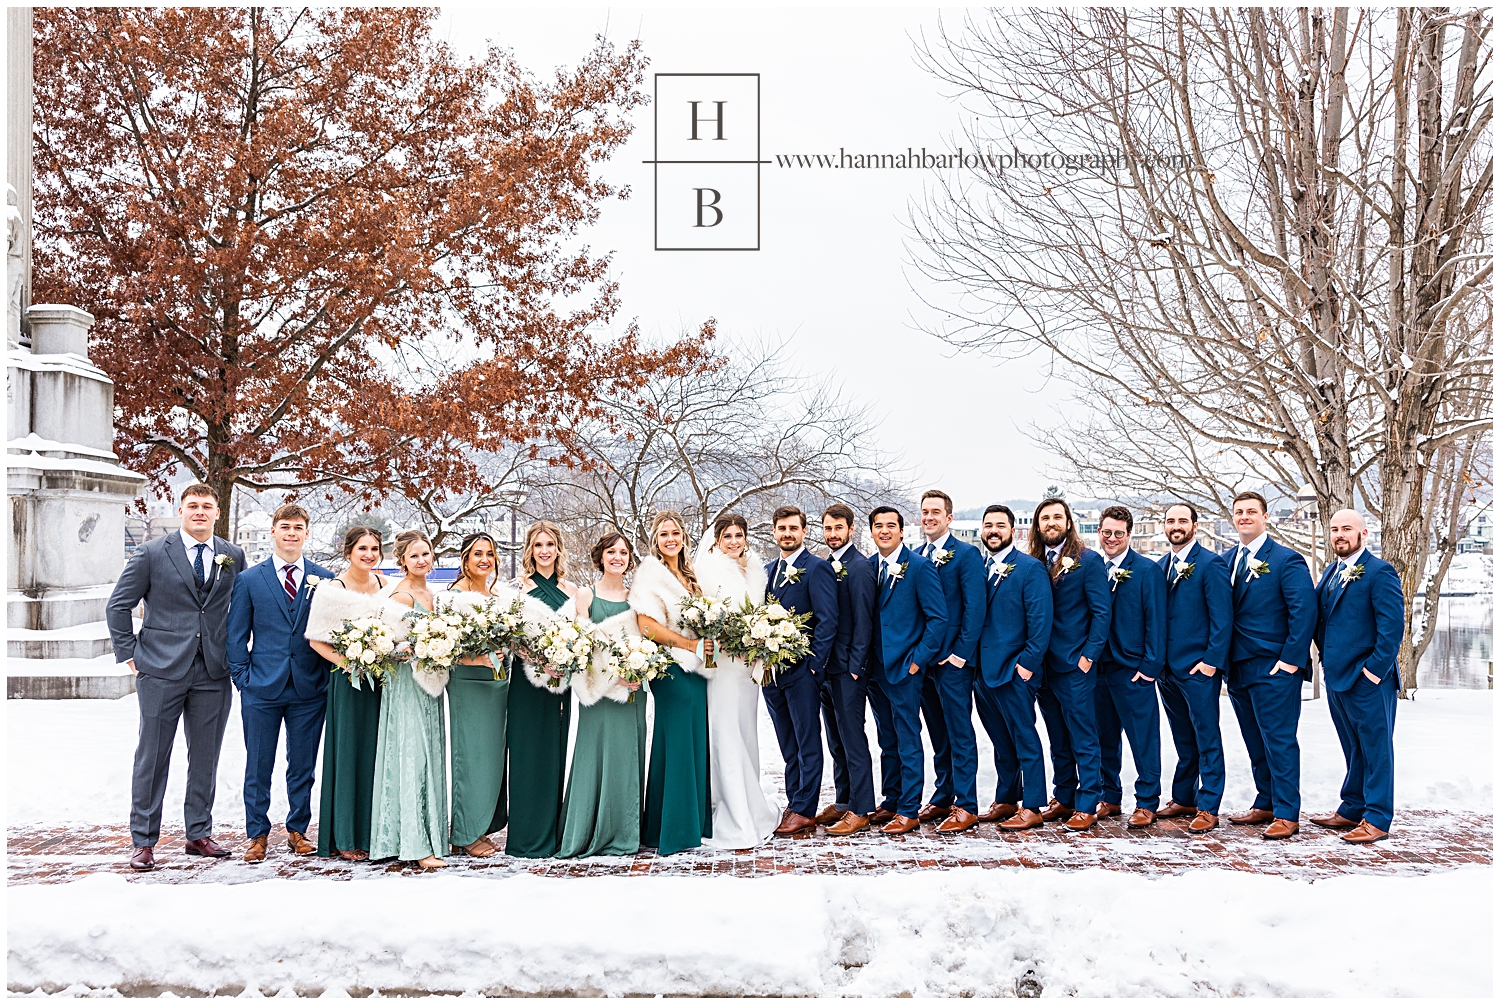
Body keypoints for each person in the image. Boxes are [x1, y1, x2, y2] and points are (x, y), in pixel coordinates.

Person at [107, 483, 246, 871]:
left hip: (213, 670)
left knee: (205, 756)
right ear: (181, 511)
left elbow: (240, 609)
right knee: (152, 756)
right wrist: (130, 655)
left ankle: (198, 833)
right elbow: (118, 606)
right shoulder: (151, 553)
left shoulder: (232, 555)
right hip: (160, 669)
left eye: (207, 506)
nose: (199, 512)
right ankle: (144, 841)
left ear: (217, 512)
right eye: (192, 506)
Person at [226, 504, 335, 862]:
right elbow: (236, 635)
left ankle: (297, 830)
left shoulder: (324, 578)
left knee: (302, 764)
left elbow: (333, 632)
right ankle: (257, 834)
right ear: (273, 532)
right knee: (258, 764)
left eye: (298, 527)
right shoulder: (249, 580)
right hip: (261, 688)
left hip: (309, 689)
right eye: (285, 527)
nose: (291, 533)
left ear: (307, 533)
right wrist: (243, 679)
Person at [1224, 491, 1317, 840]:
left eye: (1251, 511)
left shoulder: (1285, 560)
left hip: (1274, 668)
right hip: (1237, 668)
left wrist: (1290, 662)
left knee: (1279, 741)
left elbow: (1303, 613)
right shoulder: (1228, 559)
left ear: (1265, 517)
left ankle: (1287, 812)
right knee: (1254, 741)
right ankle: (1265, 801)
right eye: (1239, 512)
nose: (1244, 516)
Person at [1310, 509, 1405, 845]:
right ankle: (1352, 807)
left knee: (1376, 750)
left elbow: (1392, 630)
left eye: (1347, 529)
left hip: (1368, 681)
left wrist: (1372, 673)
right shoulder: (1332, 571)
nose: (1339, 534)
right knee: (1353, 747)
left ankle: (1377, 818)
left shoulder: (1380, 573)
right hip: (1337, 677)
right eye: (1334, 529)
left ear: (1364, 533)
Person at [557, 532, 650, 857]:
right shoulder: (585, 595)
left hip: (631, 692)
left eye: (623, 552)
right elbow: (581, 646)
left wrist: (637, 670)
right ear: (600, 556)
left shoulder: (638, 597)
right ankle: (584, 831)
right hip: (598, 692)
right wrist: (612, 674)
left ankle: (624, 832)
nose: (617, 557)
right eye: (611, 552)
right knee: (593, 756)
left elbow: (647, 642)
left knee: (627, 759)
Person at [694, 514, 781, 849]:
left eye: (739, 535)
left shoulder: (757, 570)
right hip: (723, 666)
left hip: (749, 669)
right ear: (716, 539)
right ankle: (729, 806)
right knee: (725, 729)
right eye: (727, 535)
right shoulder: (707, 571)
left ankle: (747, 797)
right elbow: (701, 617)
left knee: (745, 730)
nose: (733, 541)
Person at [631, 510, 715, 854]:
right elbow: (646, 625)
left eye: (675, 533)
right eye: (664, 534)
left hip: (696, 668)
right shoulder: (650, 574)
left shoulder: (689, 574)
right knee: (677, 743)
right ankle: (674, 831)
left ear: (683, 537)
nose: (670, 539)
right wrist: (688, 644)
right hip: (670, 666)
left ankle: (678, 824)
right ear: (656, 538)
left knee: (692, 740)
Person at [305, 526, 390, 860]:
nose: (368, 554)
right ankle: (344, 835)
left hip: (383, 681)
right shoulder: (333, 589)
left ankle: (375, 833)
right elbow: (316, 640)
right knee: (350, 754)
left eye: (374, 548)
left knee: (377, 756)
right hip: (350, 681)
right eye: (362, 549)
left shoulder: (385, 585)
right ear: (349, 551)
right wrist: (352, 664)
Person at [1029, 497, 1111, 832]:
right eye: (1045, 518)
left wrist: (1088, 656)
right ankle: (1063, 796)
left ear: (1068, 522)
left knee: (1083, 734)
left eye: (1057, 517)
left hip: (1075, 664)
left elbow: (1102, 612)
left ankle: (1088, 800)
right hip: (1042, 666)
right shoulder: (1032, 561)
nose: (1051, 522)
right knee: (1056, 735)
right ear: (1037, 525)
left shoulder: (1087, 560)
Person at [865, 505, 948, 834]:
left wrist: (918, 659)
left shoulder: (919, 567)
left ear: (901, 531)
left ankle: (910, 809)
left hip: (905, 669)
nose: (884, 531)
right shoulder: (870, 567)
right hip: (875, 671)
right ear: (871, 531)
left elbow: (937, 619)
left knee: (908, 737)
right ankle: (892, 800)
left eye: (890, 525)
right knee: (887, 738)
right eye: (878, 526)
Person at [369, 530, 449, 869]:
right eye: (415, 555)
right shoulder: (400, 597)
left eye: (426, 554)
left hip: (430, 685)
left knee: (428, 755)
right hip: (406, 686)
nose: (422, 560)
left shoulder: (432, 594)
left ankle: (429, 836)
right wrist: (414, 649)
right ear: (402, 559)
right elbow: (384, 645)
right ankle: (415, 844)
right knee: (412, 756)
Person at [971, 504, 1052, 831]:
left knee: (1024, 738)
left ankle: (1032, 805)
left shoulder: (1029, 569)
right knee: (1000, 741)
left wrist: (1027, 666)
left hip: (1015, 672)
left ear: (1013, 531)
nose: (993, 530)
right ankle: (1006, 798)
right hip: (982, 673)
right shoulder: (979, 568)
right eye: (988, 525)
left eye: (1000, 525)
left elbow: (1041, 621)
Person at [760, 505, 839, 837]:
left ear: (804, 532)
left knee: (808, 741)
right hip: (770, 675)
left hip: (802, 673)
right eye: (781, 528)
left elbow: (827, 620)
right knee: (787, 743)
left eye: (793, 528)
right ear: (775, 532)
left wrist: (813, 669)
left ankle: (806, 809)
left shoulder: (816, 568)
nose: (787, 534)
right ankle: (795, 800)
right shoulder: (766, 571)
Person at [913, 489, 987, 833]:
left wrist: (961, 654)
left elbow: (975, 608)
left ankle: (966, 804)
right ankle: (943, 795)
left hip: (954, 662)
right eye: (925, 512)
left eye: (935, 512)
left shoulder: (966, 555)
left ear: (949, 518)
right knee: (937, 734)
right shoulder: (914, 556)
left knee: (959, 733)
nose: (929, 517)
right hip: (925, 661)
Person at [1156, 503, 1233, 834]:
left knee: (1206, 737)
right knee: (1182, 738)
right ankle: (1183, 797)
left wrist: (1211, 662)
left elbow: (1222, 617)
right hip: (1167, 671)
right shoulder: (1160, 567)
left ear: (1195, 526)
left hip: (1199, 669)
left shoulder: (1210, 564)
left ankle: (1208, 805)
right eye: (1170, 521)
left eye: (1182, 521)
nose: (1176, 526)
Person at [1092, 505, 1168, 827]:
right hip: (1097, 670)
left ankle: (1147, 801)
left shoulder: (1147, 570)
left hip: (1132, 669)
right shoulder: (1091, 567)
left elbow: (1157, 621)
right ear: (1099, 532)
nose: (1111, 538)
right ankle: (1110, 797)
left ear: (1129, 534)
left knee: (1143, 739)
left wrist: (1149, 667)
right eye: (1106, 532)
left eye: (1118, 533)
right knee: (1103, 738)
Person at [506, 520, 577, 858]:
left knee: (553, 751)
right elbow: (510, 636)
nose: (544, 551)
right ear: (529, 550)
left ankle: (550, 833)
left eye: (550, 544)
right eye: (538, 545)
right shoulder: (516, 588)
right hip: (526, 681)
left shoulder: (573, 591)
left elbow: (581, 636)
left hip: (560, 682)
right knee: (525, 752)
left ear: (559, 549)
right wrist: (536, 659)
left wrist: (563, 661)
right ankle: (524, 837)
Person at [445, 532, 513, 858]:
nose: (484, 559)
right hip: (469, 683)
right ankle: (464, 833)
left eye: (489, 553)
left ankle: (480, 827)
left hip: (497, 686)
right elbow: (441, 647)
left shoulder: (496, 594)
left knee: (490, 759)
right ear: (465, 559)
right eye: (477, 554)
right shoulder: (455, 595)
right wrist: (478, 658)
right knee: (470, 758)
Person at [815, 503, 878, 837]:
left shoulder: (860, 567)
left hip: (849, 670)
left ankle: (863, 808)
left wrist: (856, 667)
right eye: (828, 528)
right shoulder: (826, 564)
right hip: (827, 669)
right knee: (835, 739)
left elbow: (865, 620)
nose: (833, 534)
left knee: (852, 738)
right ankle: (843, 800)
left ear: (851, 529)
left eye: (838, 528)